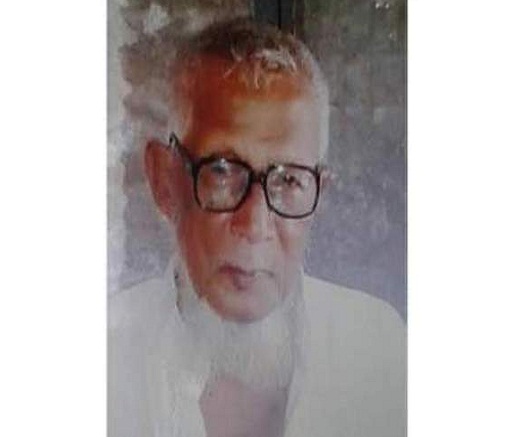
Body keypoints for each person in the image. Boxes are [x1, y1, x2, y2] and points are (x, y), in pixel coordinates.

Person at [109, 18, 406, 437]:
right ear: (165, 181)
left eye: (289, 181)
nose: (255, 224)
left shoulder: (378, 348)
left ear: (318, 194)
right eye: (222, 171)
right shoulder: (107, 359)